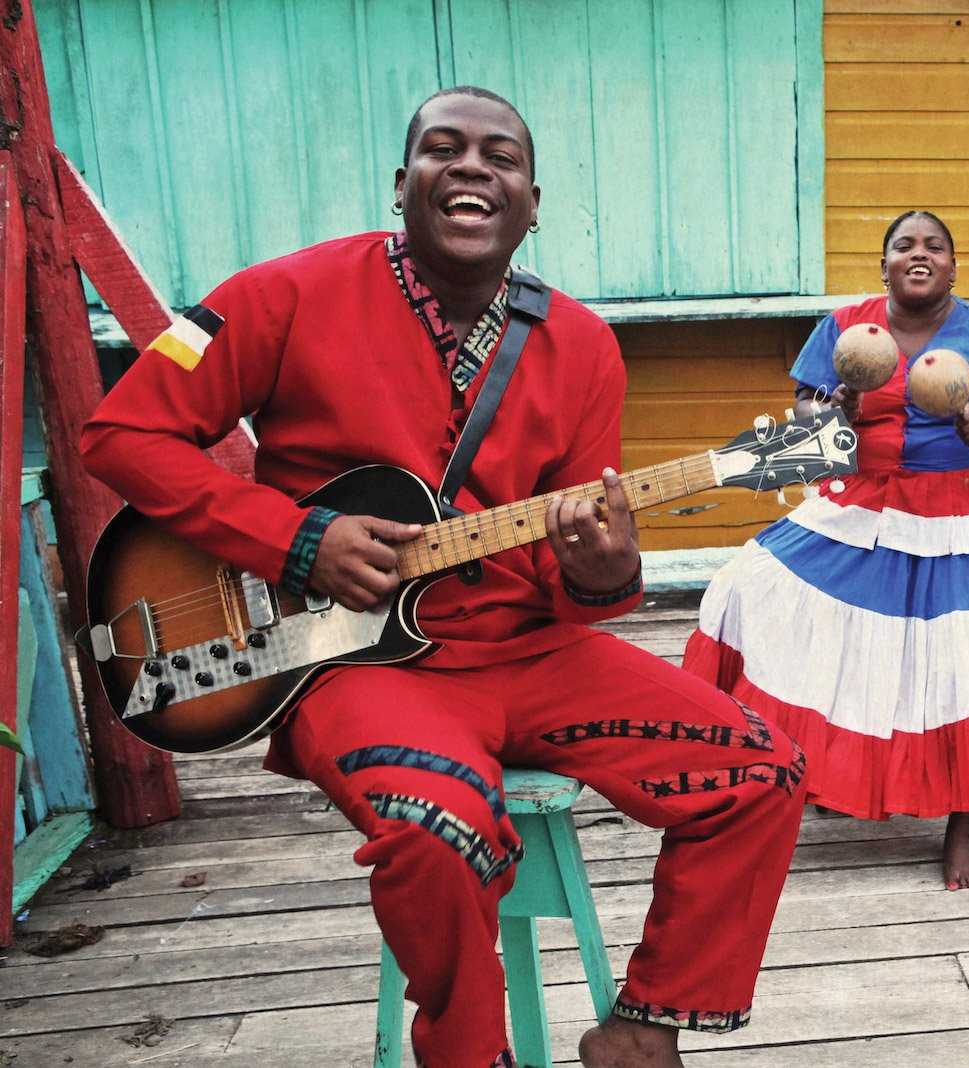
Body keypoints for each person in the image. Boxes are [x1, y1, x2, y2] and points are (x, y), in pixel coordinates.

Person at [80, 88, 805, 1068]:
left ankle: (642, 1031)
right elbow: (121, 434)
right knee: (434, 827)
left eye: (501, 157)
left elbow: (572, 578)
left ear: (532, 204)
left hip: (529, 652)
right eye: (444, 149)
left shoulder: (584, 346)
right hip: (354, 665)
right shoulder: (279, 295)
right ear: (402, 183)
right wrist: (294, 540)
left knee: (760, 773)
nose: (472, 167)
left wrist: (604, 574)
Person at [685, 211, 969, 891]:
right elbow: (806, 410)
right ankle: (806, 770)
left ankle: (961, 825)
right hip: (861, 498)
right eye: (904, 245)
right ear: (884, 266)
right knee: (750, 586)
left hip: (958, 514)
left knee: (956, 662)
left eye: (935, 246)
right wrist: (837, 411)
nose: (919, 254)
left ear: (953, 267)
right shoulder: (849, 324)